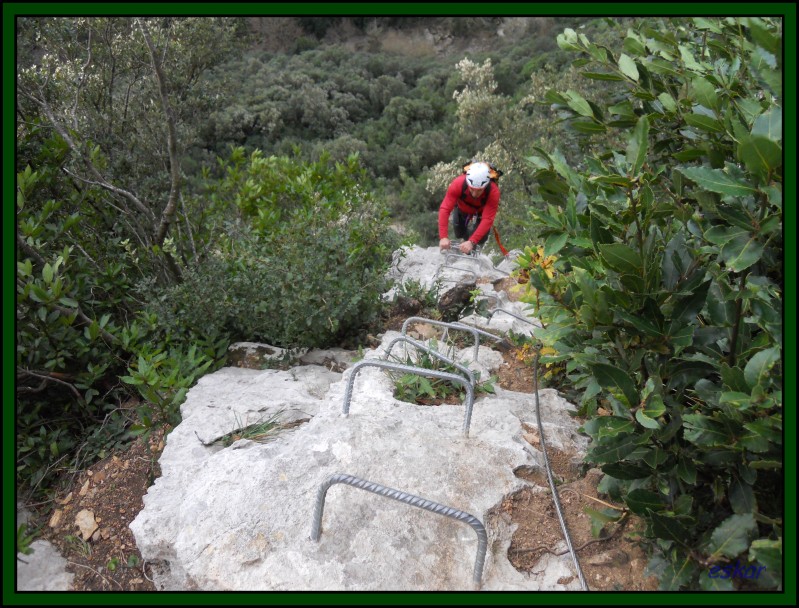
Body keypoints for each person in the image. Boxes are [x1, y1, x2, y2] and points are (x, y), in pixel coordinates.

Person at [438, 162, 500, 255]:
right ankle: (467, 239)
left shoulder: (493, 192)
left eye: (479, 190)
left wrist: (472, 241)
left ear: (486, 185)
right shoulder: (458, 183)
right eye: (471, 189)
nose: (475, 194)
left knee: (480, 239)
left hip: (481, 213)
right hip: (462, 208)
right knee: (459, 233)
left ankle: (471, 248)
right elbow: (445, 209)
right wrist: (443, 237)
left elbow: (487, 219)